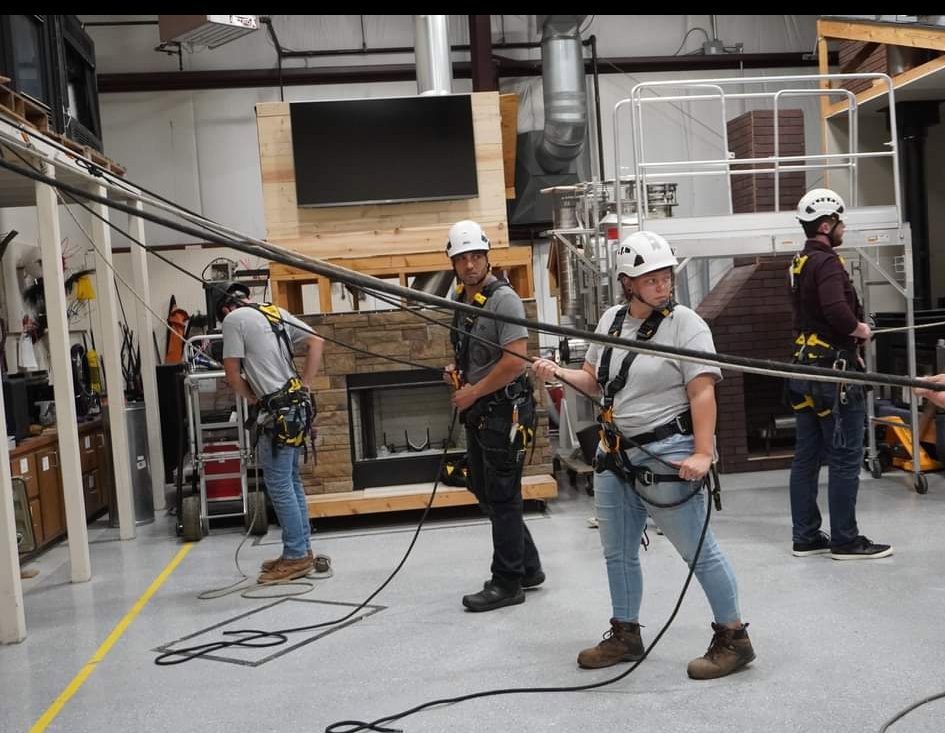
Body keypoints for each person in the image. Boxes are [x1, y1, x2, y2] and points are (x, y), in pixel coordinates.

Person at [532, 230, 754, 680]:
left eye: (665, 276)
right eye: (650, 278)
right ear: (627, 282)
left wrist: (704, 453)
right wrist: (557, 373)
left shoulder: (686, 325)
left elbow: (703, 392)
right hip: (615, 454)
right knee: (617, 552)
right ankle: (626, 632)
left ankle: (735, 638)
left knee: (698, 551)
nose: (661, 284)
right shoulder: (612, 321)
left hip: (667, 454)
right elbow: (594, 382)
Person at [442, 220, 543, 613]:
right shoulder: (463, 302)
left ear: (487, 257)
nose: (470, 265)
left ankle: (508, 582)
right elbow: (475, 355)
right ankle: (528, 567)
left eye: (476, 257)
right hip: (481, 412)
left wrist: (473, 392)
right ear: (453, 263)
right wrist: (457, 372)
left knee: (502, 496)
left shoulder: (504, 300)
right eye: (462, 259)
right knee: (485, 490)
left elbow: (515, 360)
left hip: (504, 411)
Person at [786, 188, 893, 560]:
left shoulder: (799, 261)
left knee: (807, 456)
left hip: (803, 368)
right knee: (846, 456)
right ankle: (845, 540)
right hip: (834, 375)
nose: (844, 229)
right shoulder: (827, 262)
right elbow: (835, 310)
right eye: (841, 223)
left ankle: (806, 537)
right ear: (827, 225)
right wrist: (860, 330)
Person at [215, 281, 325, 583]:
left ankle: (296, 556)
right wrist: (306, 382)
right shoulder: (274, 311)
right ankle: (300, 549)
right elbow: (317, 340)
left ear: (225, 308)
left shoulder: (233, 320)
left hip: (276, 412)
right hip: (296, 405)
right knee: (291, 481)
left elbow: (232, 374)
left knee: (279, 484)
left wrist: (251, 397)